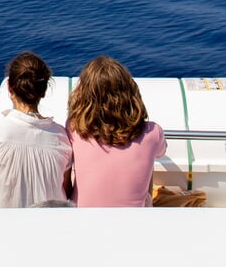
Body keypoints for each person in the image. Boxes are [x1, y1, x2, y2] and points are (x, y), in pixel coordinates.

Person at [0, 51, 72, 208]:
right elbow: (66, 187)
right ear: (43, 91)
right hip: (45, 225)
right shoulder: (61, 138)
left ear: (9, 88)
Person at [64, 55, 167, 207]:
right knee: (149, 162)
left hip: (83, 217)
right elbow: (161, 152)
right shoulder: (152, 133)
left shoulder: (74, 129)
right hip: (134, 220)